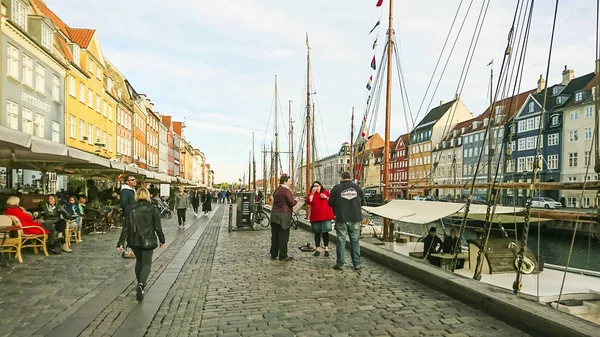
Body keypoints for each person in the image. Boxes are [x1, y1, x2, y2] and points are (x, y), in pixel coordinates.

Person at [117, 187, 165, 301]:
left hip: (134, 240)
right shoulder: (153, 209)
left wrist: (121, 243)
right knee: (147, 264)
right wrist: (162, 239)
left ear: (136, 196)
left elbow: (125, 228)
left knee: (139, 261)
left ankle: (140, 283)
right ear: (148, 196)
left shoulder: (130, 209)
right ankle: (141, 284)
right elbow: (157, 227)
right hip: (148, 240)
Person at [329, 172, 365, 271]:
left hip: (341, 218)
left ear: (341, 178)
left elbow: (330, 203)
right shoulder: (358, 188)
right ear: (350, 178)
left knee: (341, 241)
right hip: (355, 218)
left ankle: (340, 263)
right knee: (355, 241)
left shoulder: (336, 188)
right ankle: (356, 264)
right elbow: (362, 203)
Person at [270, 175, 297, 261]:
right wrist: (296, 200)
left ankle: (273, 253)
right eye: (289, 181)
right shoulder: (286, 191)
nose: (290, 183)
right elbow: (291, 203)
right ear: (285, 182)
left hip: (274, 215)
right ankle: (283, 255)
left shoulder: (277, 190)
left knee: (275, 236)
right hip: (283, 216)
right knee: (283, 236)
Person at [306, 181, 334, 257]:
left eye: (317, 186)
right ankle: (317, 249)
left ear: (321, 186)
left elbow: (332, 201)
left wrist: (326, 197)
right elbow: (308, 201)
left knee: (325, 232)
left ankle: (326, 249)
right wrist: (312, 193)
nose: (316, 187)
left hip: (325, 216)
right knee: (317, 233)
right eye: (314, 186)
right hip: (316, 216)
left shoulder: (325, 192)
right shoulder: (312, 194)